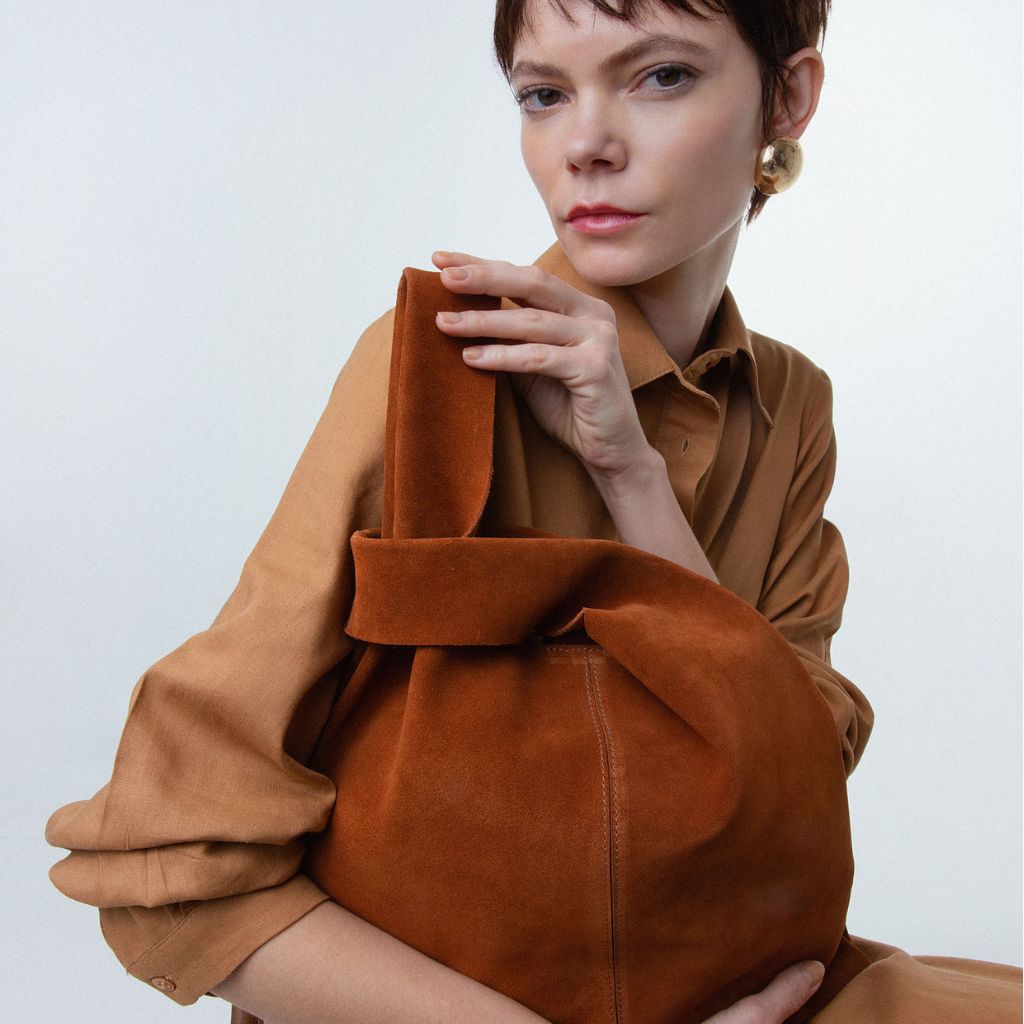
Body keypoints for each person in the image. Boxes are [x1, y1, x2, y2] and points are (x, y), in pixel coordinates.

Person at [43, 1, 1022, 1022]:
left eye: (661, 76)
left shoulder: (787, 403)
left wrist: (633, 475)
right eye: (544, 94)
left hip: (746, 981)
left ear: (789, 97)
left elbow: (789, 787)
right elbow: (167, 863)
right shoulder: (431, 367)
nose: (585, 145)